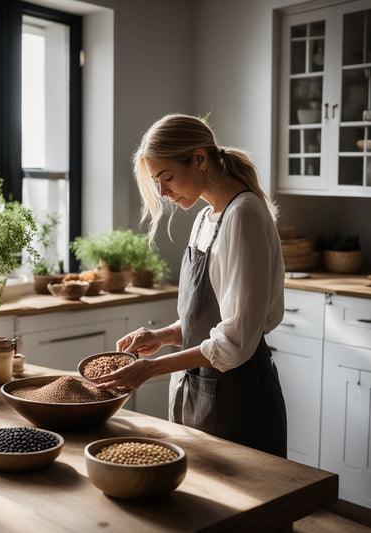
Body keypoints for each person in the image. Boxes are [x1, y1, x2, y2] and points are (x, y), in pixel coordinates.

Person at [94, 113, 287, 458]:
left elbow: (236, 340)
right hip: (197, 388)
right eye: (157, 182)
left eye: (166, 178)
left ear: (199, 159)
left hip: (238, 398)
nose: (163, 192)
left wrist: (150, 369)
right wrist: (163, 336)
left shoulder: (244, 216)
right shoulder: (204, 218)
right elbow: (209, 317)